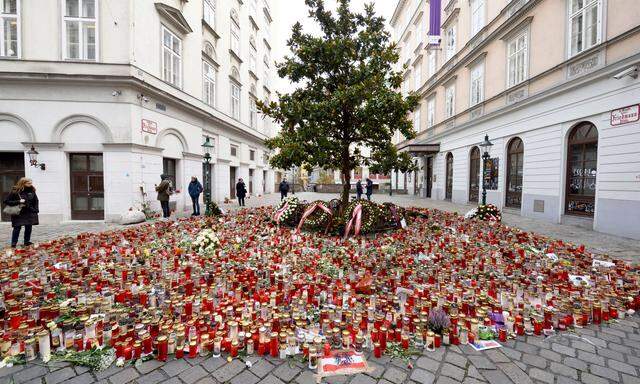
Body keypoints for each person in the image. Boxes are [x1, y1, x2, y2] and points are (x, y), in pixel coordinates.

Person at [3, 177, 39, 248]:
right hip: (18, 213)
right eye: (29, 183)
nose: (30, 184)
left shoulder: (32, 190)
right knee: (17, 228)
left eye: (31, 183)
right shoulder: (15, 191)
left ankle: (27, 242)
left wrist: (36, 209)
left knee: (29, 227)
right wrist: (18, 201)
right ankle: (13, 243)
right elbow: (6, 201)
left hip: (29, 212)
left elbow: (36, 200)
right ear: (23, 183)